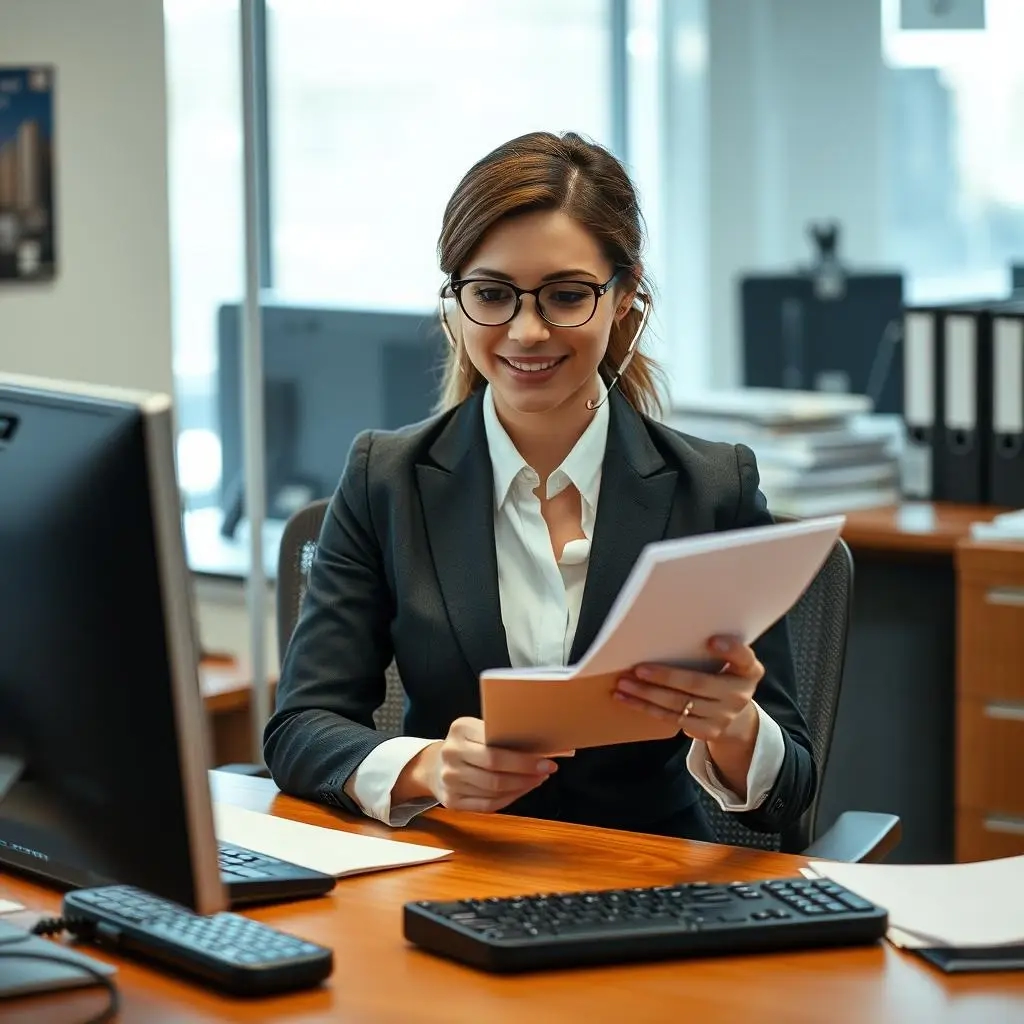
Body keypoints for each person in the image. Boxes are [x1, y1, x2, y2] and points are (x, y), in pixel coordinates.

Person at [263, 131, 816, 842]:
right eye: (491, 294)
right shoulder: (388, 480)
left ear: (625, 300)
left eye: (565, 295)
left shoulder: (713, 490)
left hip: (647, 882)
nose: (526, 331)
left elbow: (792, 787)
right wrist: (429, 768)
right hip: (454, 871)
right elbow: (300, 729)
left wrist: (735, 729)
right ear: (453, 304)